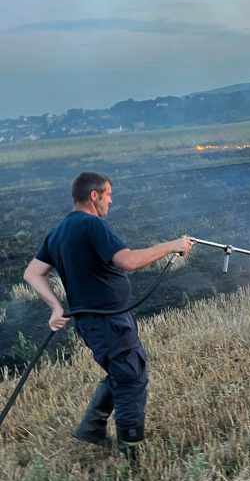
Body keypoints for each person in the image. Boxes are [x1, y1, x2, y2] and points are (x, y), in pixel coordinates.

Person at [23, 172, 193, 458]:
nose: (111, 200)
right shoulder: (92, 226)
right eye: (108, 195)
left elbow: (32, 273)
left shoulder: (60, 230)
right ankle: (131, 454)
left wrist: (56, 306)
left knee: (122, 371)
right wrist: (171, 246)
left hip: (94, 323)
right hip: (108, 322)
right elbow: (127, 261)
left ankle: (92, 426)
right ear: (94, 196)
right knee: (131, 378)